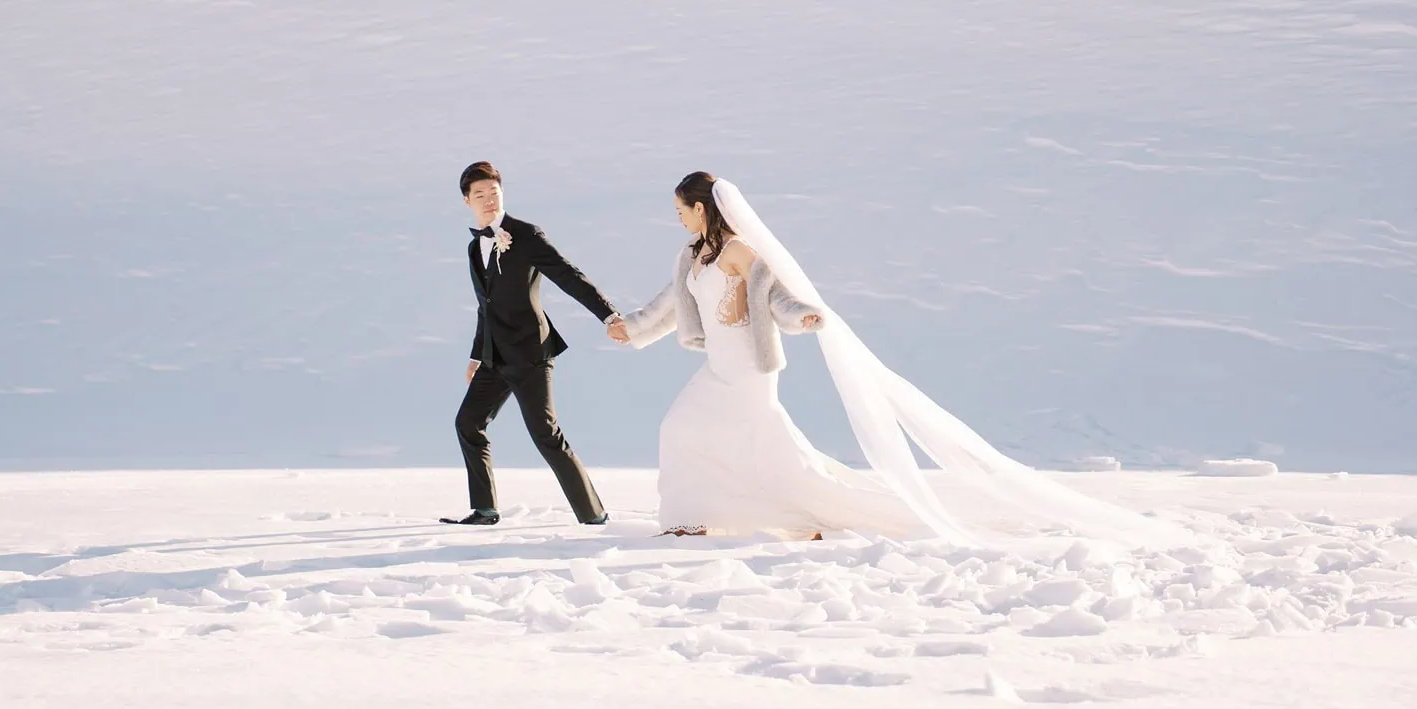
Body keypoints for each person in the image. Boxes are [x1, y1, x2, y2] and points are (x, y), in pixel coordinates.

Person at [610, 172, 1182, 547]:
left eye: (682, 210)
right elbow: (667, 306)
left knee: (749, 444)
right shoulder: (692, 256)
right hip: (718, 369)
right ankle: (706, 514)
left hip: (751, 370)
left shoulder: (741, 251)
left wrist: (801, 316)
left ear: (704, 207)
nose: (679, 219)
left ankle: (793, 515)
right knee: (689, 430)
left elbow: (777, 297)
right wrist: (630, 330)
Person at [443, 161, 622, 527]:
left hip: (529, 354)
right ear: (467, 201)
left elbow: (569, 276)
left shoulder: (525, 235)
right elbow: (485, 306)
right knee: (468, 422)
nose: (489, 200)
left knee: (546, 434)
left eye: (494, 193)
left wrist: (609, 315)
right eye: (480, 195)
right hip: (494, 358)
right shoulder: (473, 247)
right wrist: (477, 355)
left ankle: (594, 515)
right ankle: (485, 509)